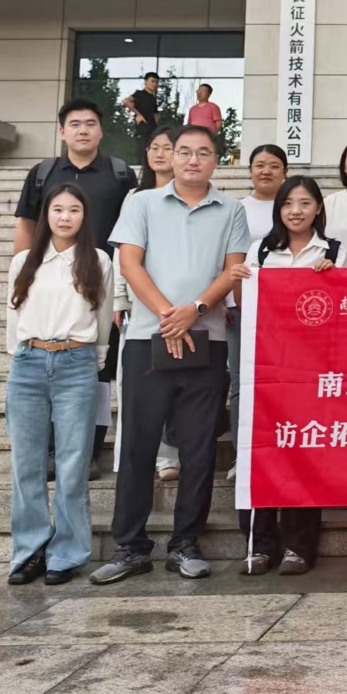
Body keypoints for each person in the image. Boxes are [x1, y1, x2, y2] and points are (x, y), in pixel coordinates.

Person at [90, 125, 249, 585]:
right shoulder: (141, 203)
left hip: (207, 339)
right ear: (171, 157)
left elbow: (233, 270)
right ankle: (130, 547)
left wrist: (194, 310)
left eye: (204, 152)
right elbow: (129, 263)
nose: (193, 160)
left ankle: (186, 544)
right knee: (138, 446)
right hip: (146, 339)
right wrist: (168, 316)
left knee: (198, 449)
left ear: (216, 160)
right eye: (185, 152)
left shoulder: (232, 209)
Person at [14, 99, 137, 482]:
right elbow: (26, 225)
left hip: (99, 285)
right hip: (49, 285)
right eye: (75, 124)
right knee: (46, 374)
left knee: (97, 377)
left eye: (90, 123)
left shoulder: (120, 174)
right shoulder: (42, 173)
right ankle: (50, 450)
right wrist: (25, 275)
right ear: (62, 131)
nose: (83, 130)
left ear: (101, 130)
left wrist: (123, 291)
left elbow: (134, 231)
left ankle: (88, 451)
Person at [231, 175, 347, 577]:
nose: (296, 211)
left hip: (313, 371)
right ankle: (259, 545)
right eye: (287, 204)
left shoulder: (335, 251)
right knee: (261, 451)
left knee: (303, 453)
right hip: (265, 367)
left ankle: (299, 546)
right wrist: (240, 282)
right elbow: (245, 307)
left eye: (304, 203)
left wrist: (335, 279)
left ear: (319, 208)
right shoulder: (261, 250)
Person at [4, 183, 113, 586]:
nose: (65, 217)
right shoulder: (24, 261)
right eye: (57, 209)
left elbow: (103, 318)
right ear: (46, 215)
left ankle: (66, 555)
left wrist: (93, 361)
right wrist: (20, 356)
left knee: (71, 464)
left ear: (84, 217)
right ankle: (30, 552)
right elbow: (13, 314)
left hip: (76, 363)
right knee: (27, 465)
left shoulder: (98, 260)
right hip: (28, 364)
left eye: (74, 210)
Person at [112, 127, 183, 482]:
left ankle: (168, 456)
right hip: (139, 305)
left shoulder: (193, 197)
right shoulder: (135, 197)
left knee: (175, 384)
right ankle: (132, 457)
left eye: (167, 148)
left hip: (181, 307)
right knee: (135, 386)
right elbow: (122, 254)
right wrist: (119, 296)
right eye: (154, 147)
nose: (159, 154)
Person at [226, 144, 289, 480]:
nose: (266, 171)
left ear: (285, 173)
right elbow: (226, 258)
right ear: (249, 170)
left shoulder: (292, 207)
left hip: (285, 314)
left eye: (274, 165)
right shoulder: (236, 209)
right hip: (242, 309)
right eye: (260, 165)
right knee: (241, 383)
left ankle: (283, 451)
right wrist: (227, 301)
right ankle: (243, 455)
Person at [122, 71, 162, 163]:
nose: (154, 84)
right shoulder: (140, 94)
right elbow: (126, 101)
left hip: (152, 128)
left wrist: (156, 122)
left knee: (151, 148)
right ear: (146, 82)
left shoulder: (152, 98)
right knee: (142, 149)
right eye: (152, 81)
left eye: (156, 82)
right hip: (143, 127)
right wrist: (138, 114)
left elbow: (156, 113)